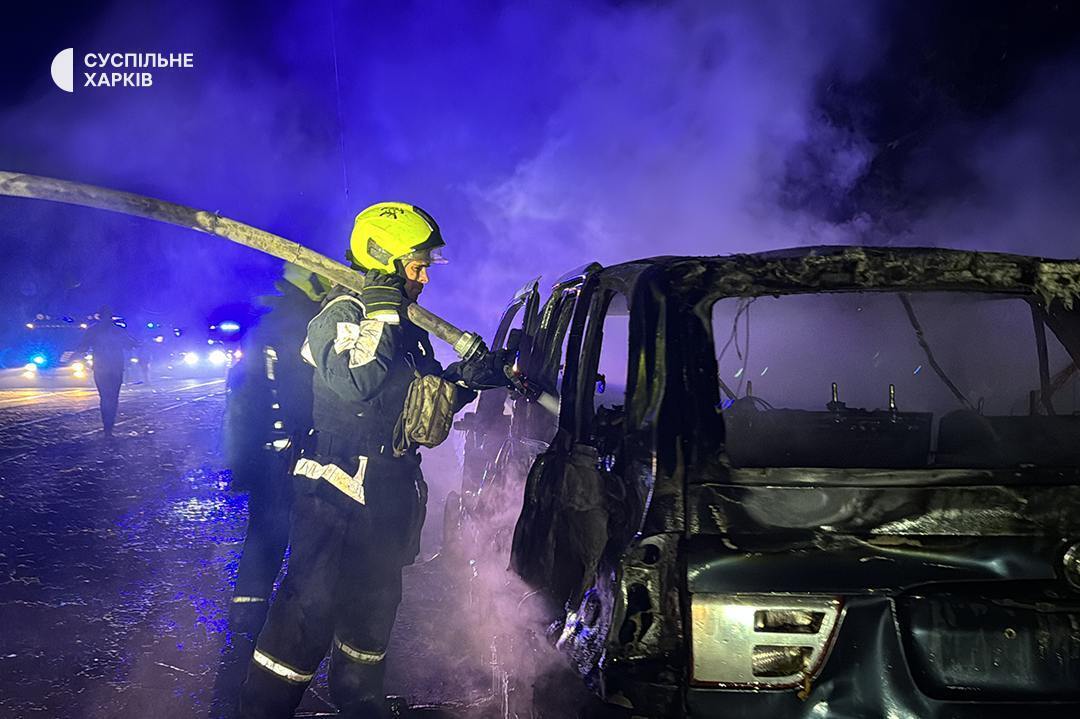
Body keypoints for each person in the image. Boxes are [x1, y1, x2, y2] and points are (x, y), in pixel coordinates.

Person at [239, 203, 506, 718]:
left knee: (371, 619)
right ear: (381, 259)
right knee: (304, 620)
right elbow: (354, 380)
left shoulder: (406, 328)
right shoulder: (341, 314)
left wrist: (465, 381)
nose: (425, 278)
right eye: (416, 266)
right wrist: (381, 308)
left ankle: (361, 705)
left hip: (387, 498)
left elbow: (417, 409)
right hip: (335, 499)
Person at [210, 264, 330, 718]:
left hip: (264, 459)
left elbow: (240, 397)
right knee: (296, 542)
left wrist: (240, 460)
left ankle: (246, 625)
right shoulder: (298, 325)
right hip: (290, 460)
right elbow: (302, 397)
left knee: (261, 541)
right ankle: (276, 634)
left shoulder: (266, 326)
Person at [75, 305, 137, 437]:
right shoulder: (118, 330)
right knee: (113, 397)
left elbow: (82, 347)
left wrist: (75, 354)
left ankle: (107, 428)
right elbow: (131, 344)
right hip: (115, 367)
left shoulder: (93, 330)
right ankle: (109, 426)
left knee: (104, 397)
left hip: (101, 367)